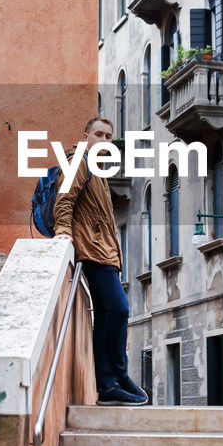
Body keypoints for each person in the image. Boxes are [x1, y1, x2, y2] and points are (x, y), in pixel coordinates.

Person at [54, 116, 147, 406]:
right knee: (118, 309)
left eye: (109, 136)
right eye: (99, 134)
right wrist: (62, 231)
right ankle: (110, 380)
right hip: (91, 250)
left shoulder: (98, 169)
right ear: (86, 137)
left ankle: (115, 379)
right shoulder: (78, 160)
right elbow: (64, 198)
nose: (104, 141)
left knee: (111, 314)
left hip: (104, 251)